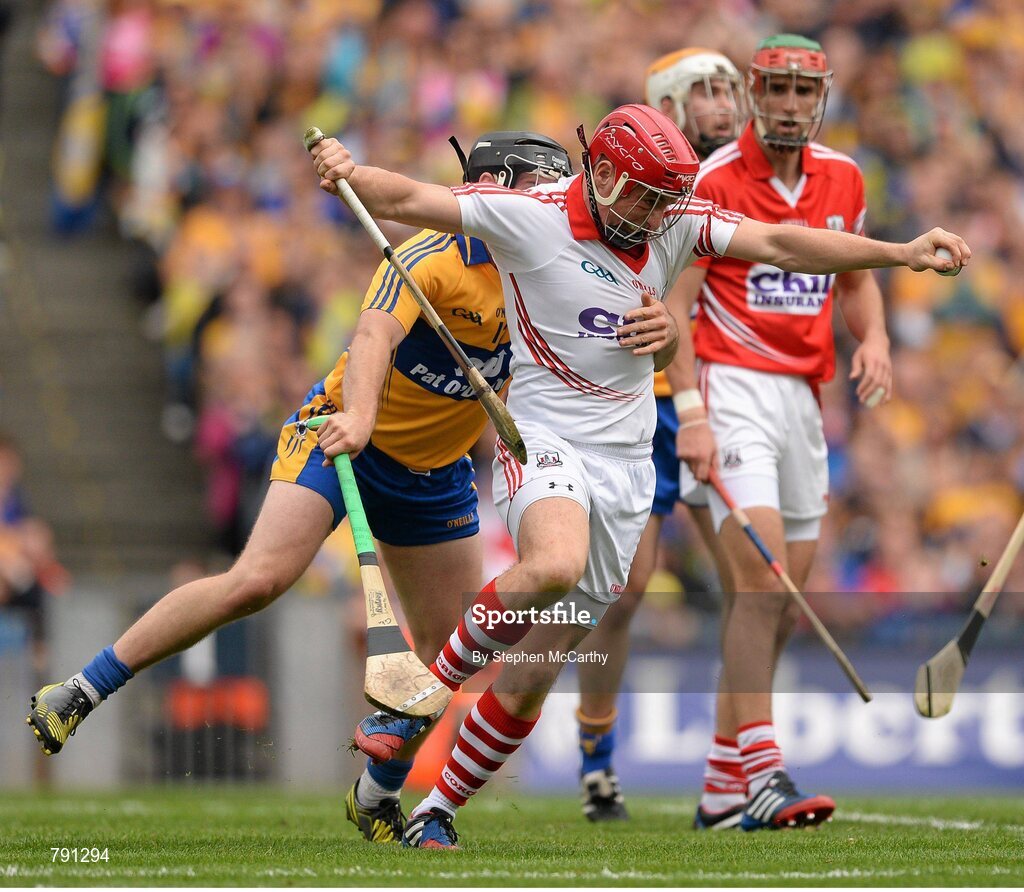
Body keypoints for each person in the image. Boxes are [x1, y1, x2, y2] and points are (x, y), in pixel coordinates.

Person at [310, 101, 969, 848]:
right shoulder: (530, 215)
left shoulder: (676, 222)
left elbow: (782, 243)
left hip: (626, 468)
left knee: (534, 672)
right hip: (547, 441)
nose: (658, 215)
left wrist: (902, 252)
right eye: (646, 196)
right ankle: (412, 707)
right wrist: (349, 172)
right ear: (602, 171)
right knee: (552, 562)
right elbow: (412, 199)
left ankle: (431, 810)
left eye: (667, 198)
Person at [24, 131, 573, 845]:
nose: (558, 204)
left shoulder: (554, 274)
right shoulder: (429, 258)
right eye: (543, 187)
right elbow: (372, 338)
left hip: (435, 478)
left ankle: (375, 796)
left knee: (447, 653)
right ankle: (81, 688)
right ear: (492, 186)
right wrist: (361, 414)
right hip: (341, 435)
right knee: (258, 579)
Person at [669, 34, 896, 831]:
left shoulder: (845, 176)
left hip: (803, 399)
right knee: (762, 586)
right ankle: (763, 774)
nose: (791, 106)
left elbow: (855, 276)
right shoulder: (714, 179)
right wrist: (689, 412)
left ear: (822, 95)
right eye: (777, 90)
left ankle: (719, 790)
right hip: (731, 387)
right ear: (753, 94)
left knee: (781, 604)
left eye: (805, 92)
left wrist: (873, 338)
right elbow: (675, 306)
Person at [573, 47, 747, 823]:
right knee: (624, 588)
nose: (722, 104)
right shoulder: (662, 195)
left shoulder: (744, 176)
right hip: (663, 403)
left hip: (723, 399)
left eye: (727, 88)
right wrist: (695, 411)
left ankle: (737, 762)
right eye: (703, 91)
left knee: (750, 585)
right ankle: (596, 759)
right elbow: (662, 321)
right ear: (670, 107)